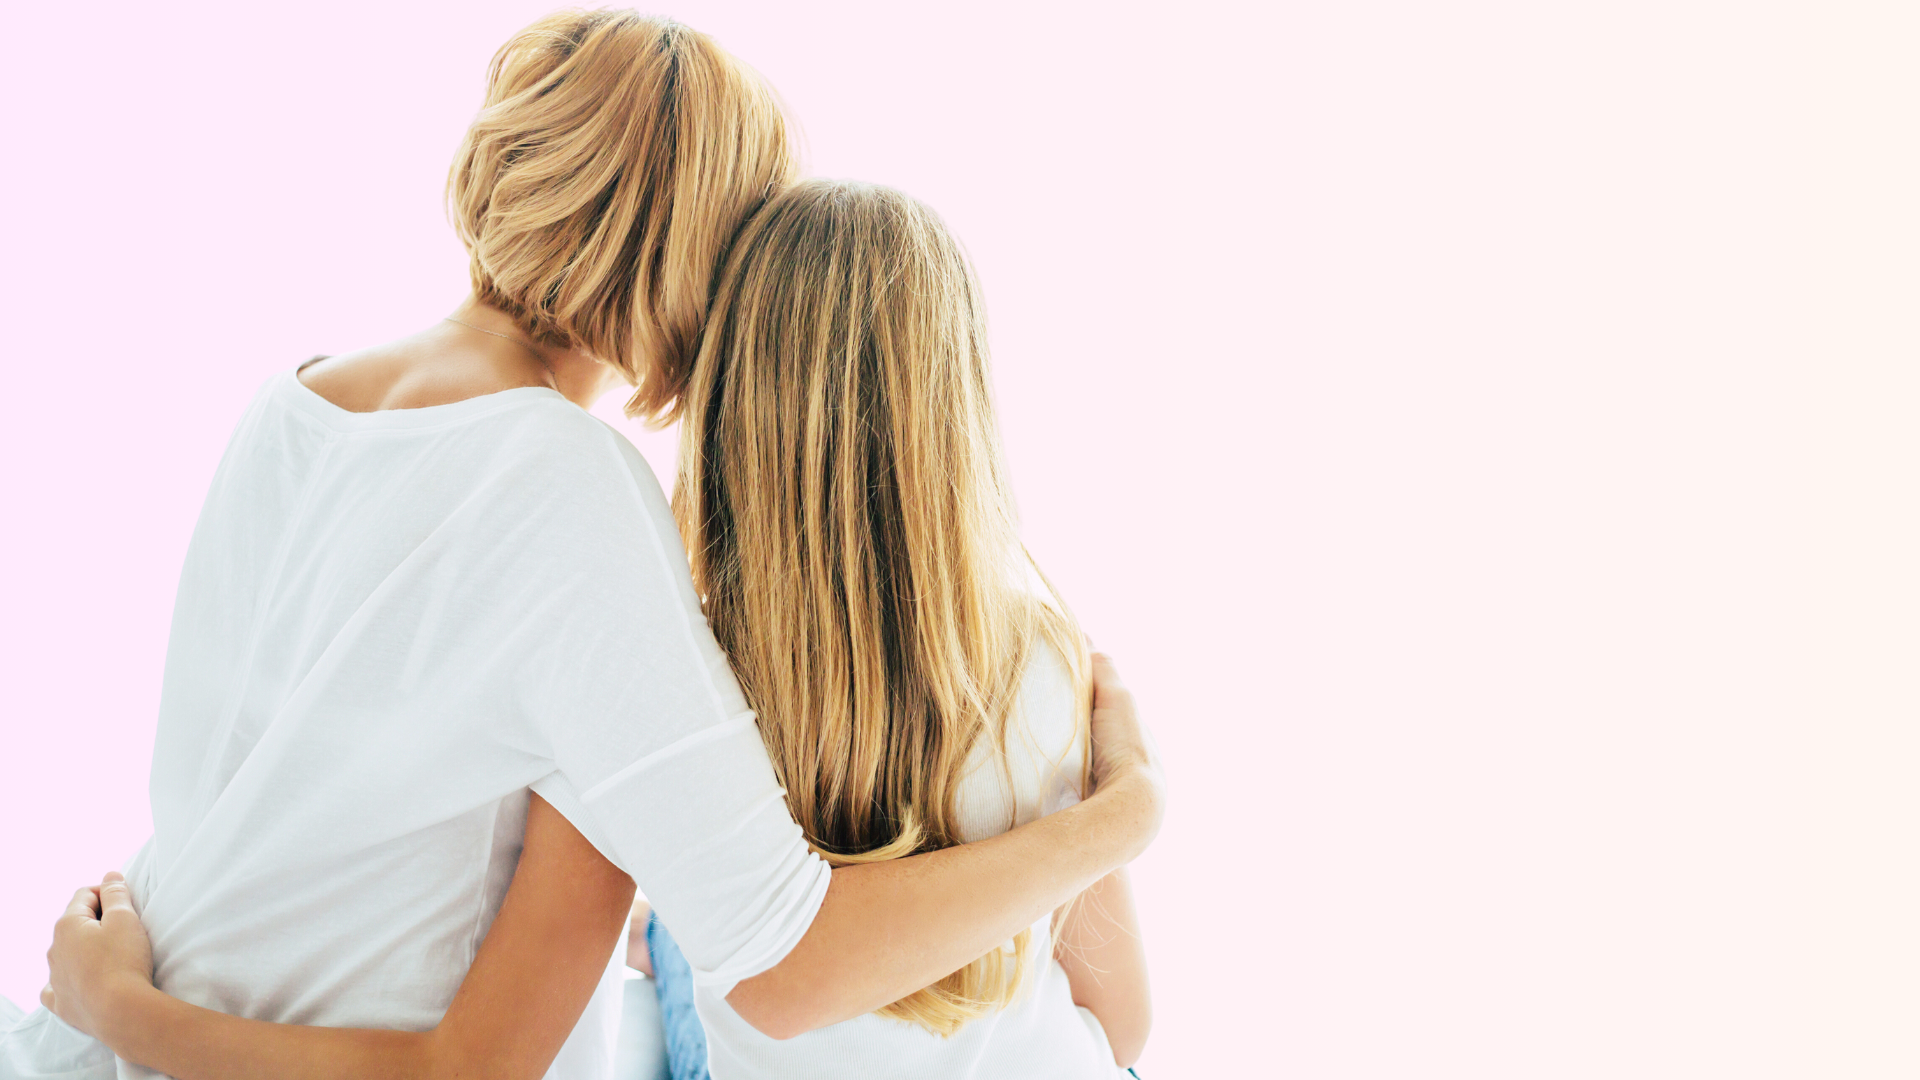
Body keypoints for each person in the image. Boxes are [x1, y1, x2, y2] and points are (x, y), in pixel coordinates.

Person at [8, 10, 1164, 1080]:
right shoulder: (566, 487)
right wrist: (1122, 818)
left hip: (103, 1020)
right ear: (704, 255)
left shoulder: (288, 407)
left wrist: (119, 1013)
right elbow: (782, 966)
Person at [639, 178, 1154, 1078]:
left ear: (732, 409)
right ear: (955, 414)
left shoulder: (682, 678)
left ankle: (663, 942)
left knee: (677, 950)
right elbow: (1123, 1023)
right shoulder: (1045, 660)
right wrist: (1130, 800)